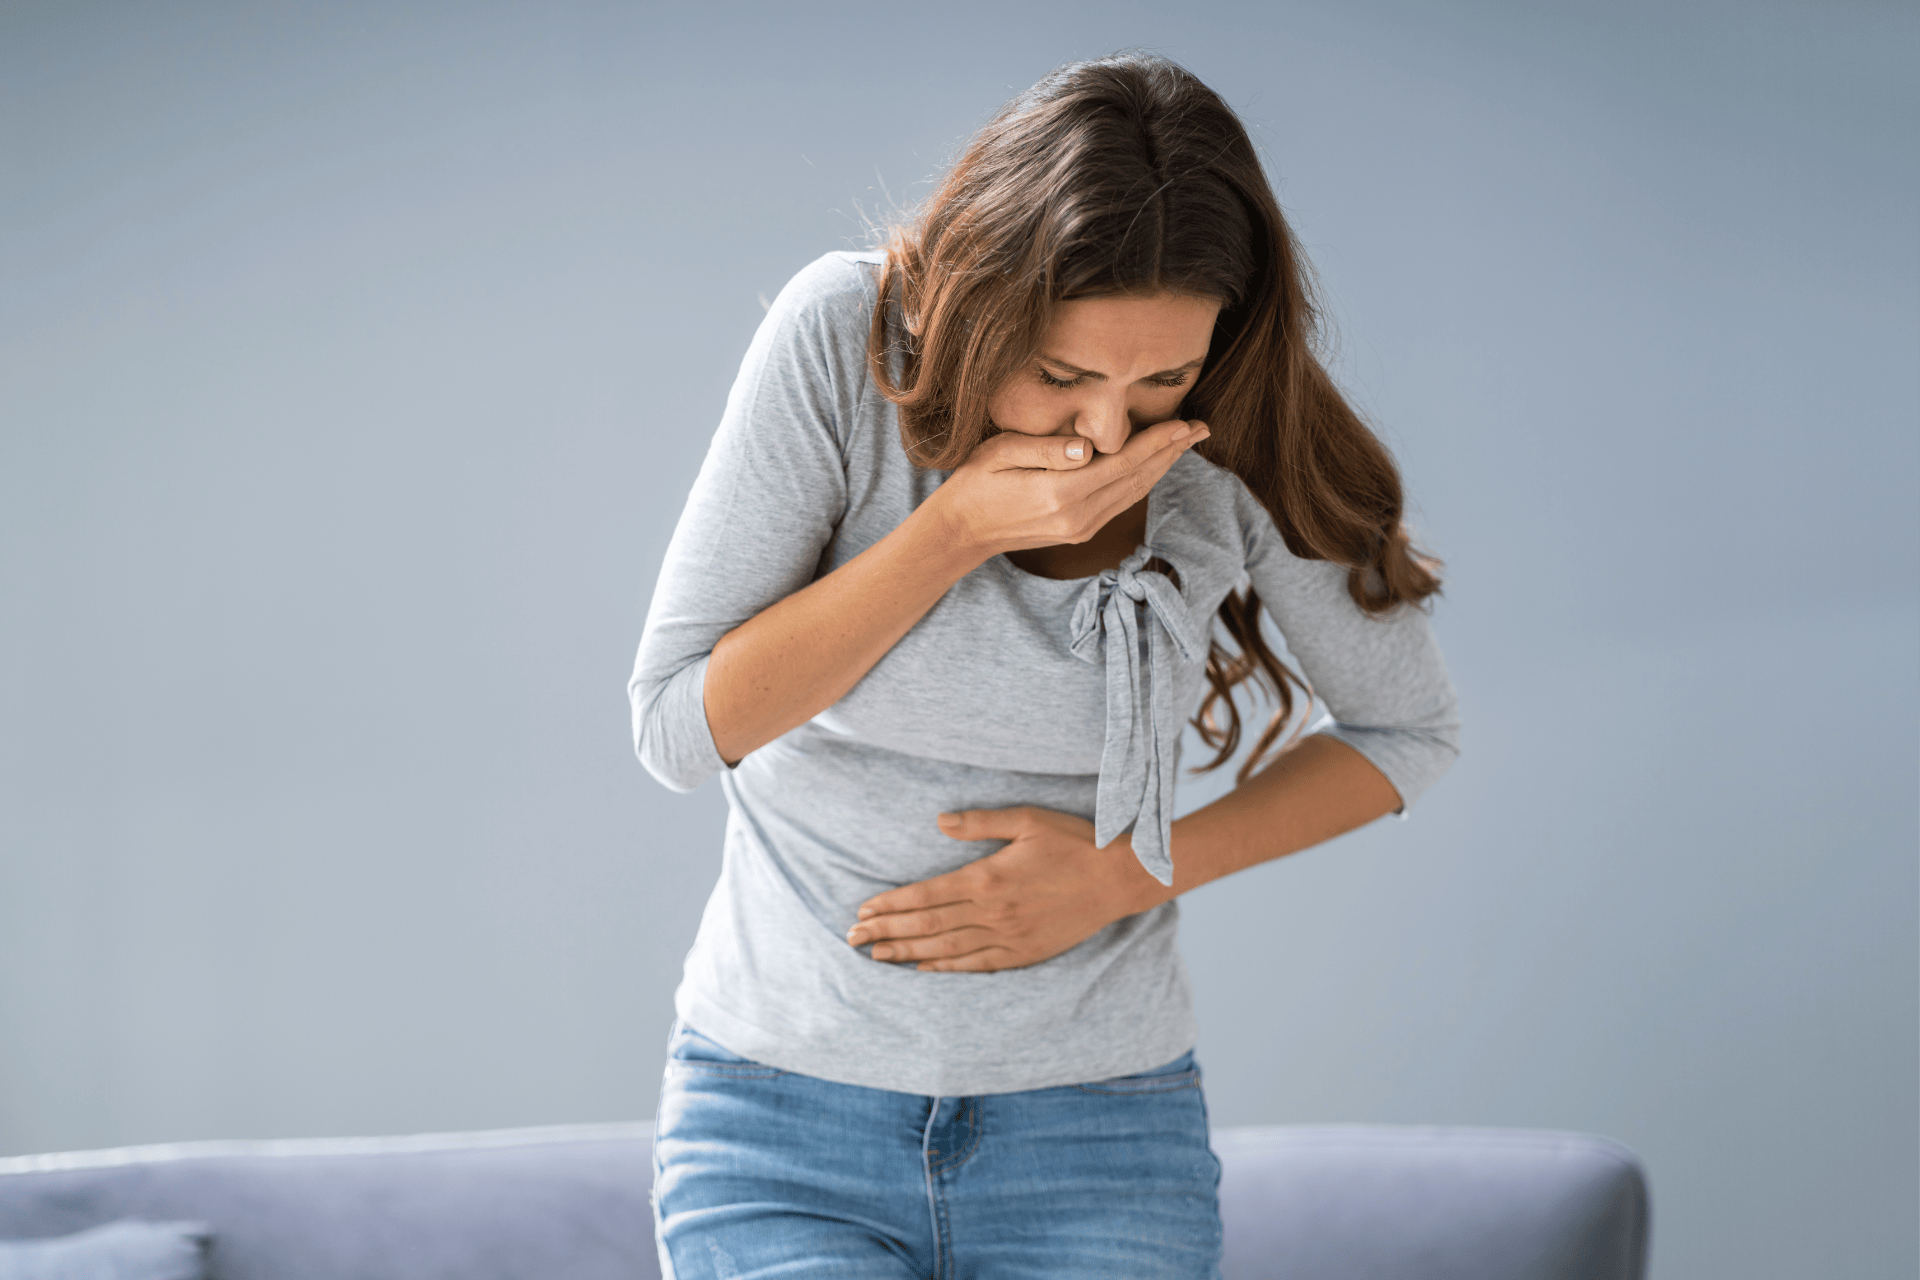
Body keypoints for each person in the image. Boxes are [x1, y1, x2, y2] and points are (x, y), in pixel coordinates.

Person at [629, 52, 1459, 1280]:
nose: (1106, 431)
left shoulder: (1243, 418)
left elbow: (1410, 731)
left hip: (1100, 1131)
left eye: (1161, 378)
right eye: (1062, 376)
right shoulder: (840, 341)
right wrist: (954, 529)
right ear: (981, 305)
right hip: (781, 1113)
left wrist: (1122, 876)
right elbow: (680, 727)